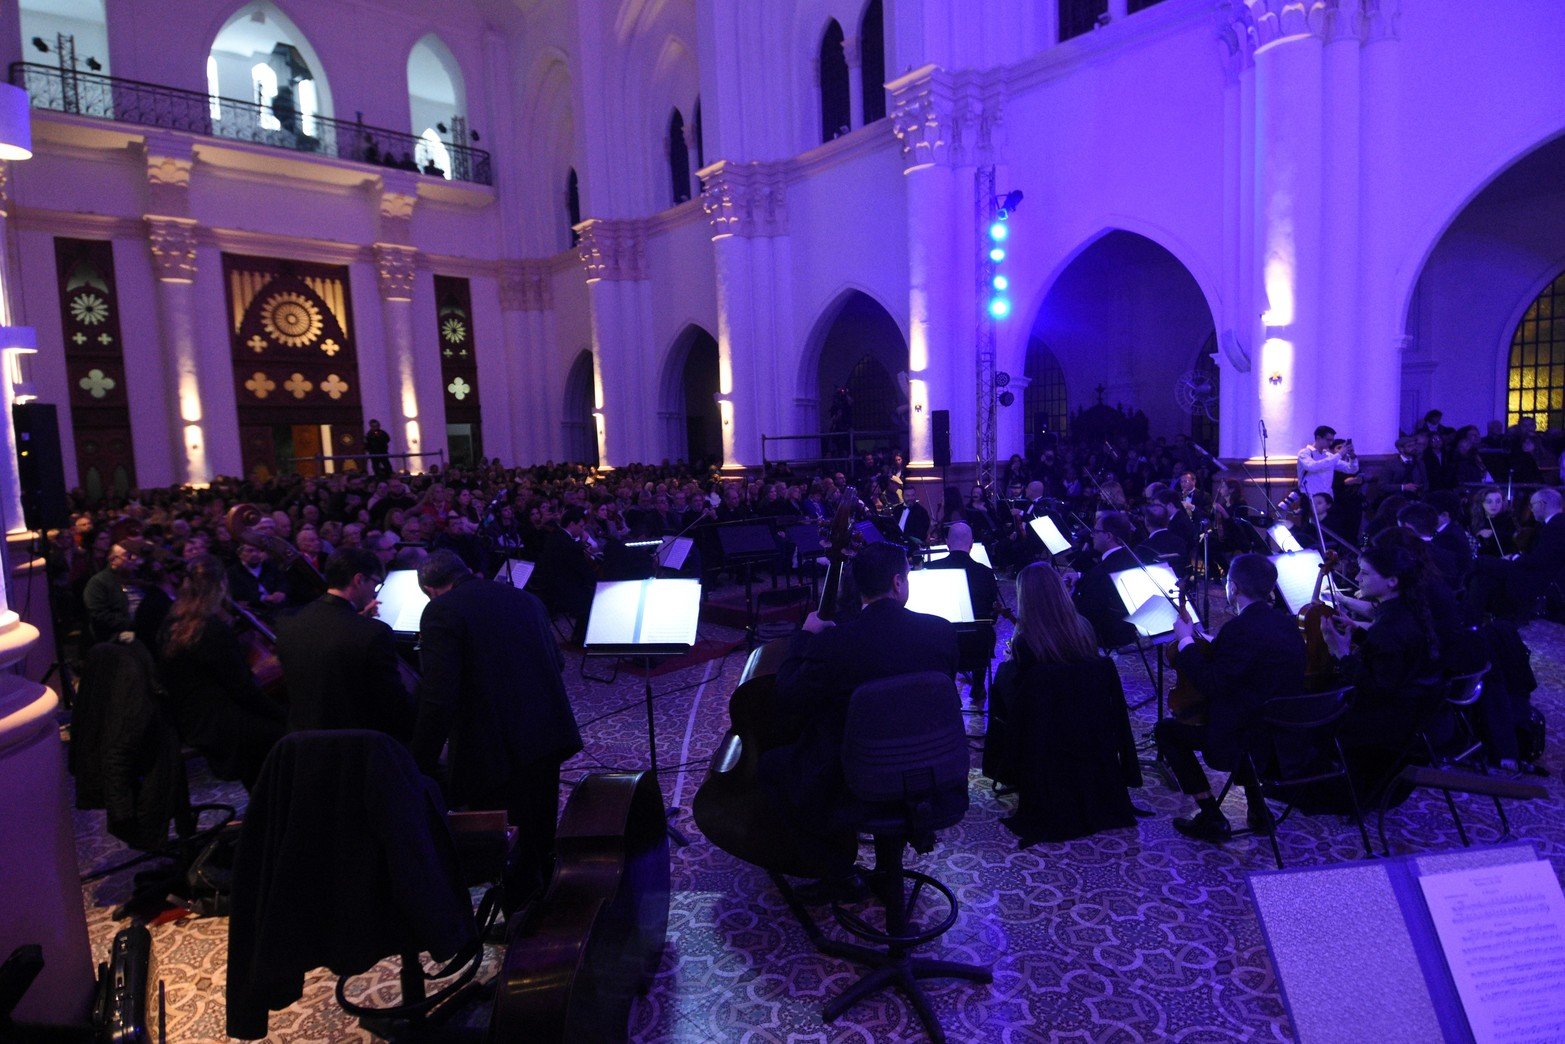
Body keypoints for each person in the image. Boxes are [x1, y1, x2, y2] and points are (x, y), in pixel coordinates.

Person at [760, 543, 958, 887]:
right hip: (931, 772)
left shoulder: (835, 643)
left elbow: (788, 695)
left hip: (857, 779)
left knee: (769, 766)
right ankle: (886, 867)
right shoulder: (940, 632)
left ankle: (836, 872)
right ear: (898, 583)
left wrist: (804, 637)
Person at [411, 551, 582, 910]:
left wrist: (420, 760)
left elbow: (440, 697)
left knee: (507, 835)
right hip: (546, 728)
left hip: (495, 742)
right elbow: (559, 660)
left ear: (431, 588)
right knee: (540, 822)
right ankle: (548, 895)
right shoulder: (525, 598)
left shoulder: (441, 611)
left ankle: (521, 918)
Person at [1154, 554, 1307, 841]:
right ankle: (1259, 810)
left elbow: (1212, 683)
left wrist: (1186, 641)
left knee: (1167, 731)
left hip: (1240, 741)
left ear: (1234, 588)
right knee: (1248, 712)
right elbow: (1253, 663)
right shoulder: (1287, 624)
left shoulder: (1239, 629)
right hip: (1282, 736)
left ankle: (1211, 817)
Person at [988, 563, 1140, 843]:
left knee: (999, 688)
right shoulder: (1082, 627)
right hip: (1090, 730)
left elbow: (1023, 701)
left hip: (1047, 738)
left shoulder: (1027, 641)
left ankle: (1003, 769)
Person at [156, 556, 285, 789]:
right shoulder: (210, 629)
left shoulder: (173, 623)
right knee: (287, 734)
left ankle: (265, 801)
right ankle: (270, 805)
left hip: (189, 716)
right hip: (217, 723)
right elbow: (243, 690)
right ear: (222, 585)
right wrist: (283, 715)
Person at [275, 547, 413, 738]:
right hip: (358, 745)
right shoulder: (374, 633)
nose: (375, 592)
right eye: (375, 584)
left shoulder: (288, 623)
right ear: (358, 580)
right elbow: (393, 704)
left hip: (303, 743)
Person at [1323, 544, 1438, 751]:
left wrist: (1342, 655)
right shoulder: (1408, 609)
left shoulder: (1387, 627)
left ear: (1392, 581)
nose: (1357, 578)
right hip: (1407, 713)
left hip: (1382, 725)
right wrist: (1357, 630)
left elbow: (1377, 689)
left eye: (1365, 573)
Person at [1464, 486, 1565, 620]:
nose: (1531, 509)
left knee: (1482, 563)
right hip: (1536, 572)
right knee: (1483, 577)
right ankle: (1474, 619)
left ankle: (1468, 620)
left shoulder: (1556, 526)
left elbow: (1540, 561)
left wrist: (1515, 557)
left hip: (1538, 579)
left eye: (1532, 505)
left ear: (1541, 505)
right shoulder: (1556, 523)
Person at [927, 522, 999, 702]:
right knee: (984, 627)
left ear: (947, 544)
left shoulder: (932, 570)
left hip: (942, 644)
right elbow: (992, 614)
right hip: (977, 647)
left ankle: (946, 686)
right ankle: (978, 685)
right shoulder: (986, 573)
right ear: (972, 544)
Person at [1070, 511, 1142, 650]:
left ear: (1108, 536)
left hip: (1106, 633)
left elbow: (1083, 611)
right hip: (1131, 627)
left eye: (1096, 531)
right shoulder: (1133, 558)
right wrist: (1081, 577)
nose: (1092, 535)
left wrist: (1071, 592)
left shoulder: (1100, 573)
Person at [82, 542, 144, 646]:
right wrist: (134, 626)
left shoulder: (141, 578)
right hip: (116, 635)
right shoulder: (99, 582)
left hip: (142, 629)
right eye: (127, 555)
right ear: (113, 560)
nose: (133, 558)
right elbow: (100, 615)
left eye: (135, 554)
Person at [1297, 425, 1358, 500]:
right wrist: (1339, 454)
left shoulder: (1329, 455)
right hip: (1309, 497)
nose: (1331, 443)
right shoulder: (1304, 453)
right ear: (1318, 438)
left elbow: (1351, 469)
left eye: (1332, 440)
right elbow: (1312, 467)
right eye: (1328, 440)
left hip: (1327, 497)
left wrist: (1352, 456)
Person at [1470, 486, 1517, 557]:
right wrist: (1478, 535)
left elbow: (1513, 542)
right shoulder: (1474, 519)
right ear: (1481, 503)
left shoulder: (1509, 519)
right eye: (1489, 502)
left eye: (1498, 501)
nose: (1494, 505)